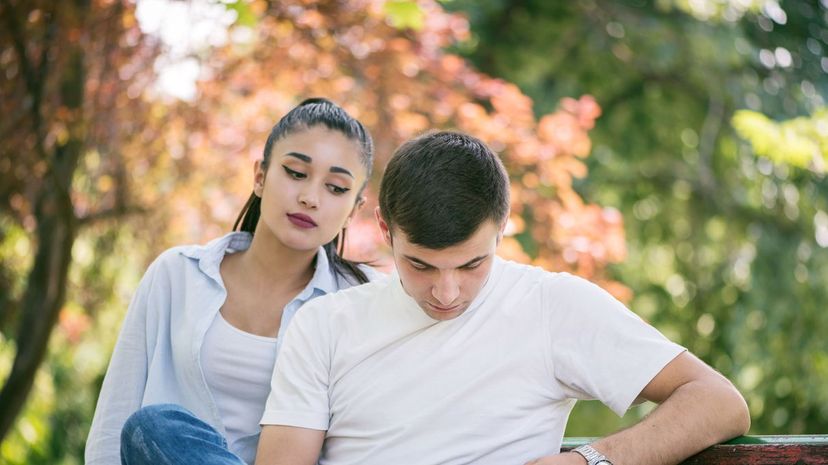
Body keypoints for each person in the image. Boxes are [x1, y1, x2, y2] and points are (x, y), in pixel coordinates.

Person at [252, 131, 750, 465]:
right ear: (385, 228)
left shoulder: (553, 306)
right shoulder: (323, 326)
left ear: (502, 228)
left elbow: (719, 402)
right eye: (420, 265)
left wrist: (588, 461)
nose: (446, 294)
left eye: (471, 265)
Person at [84, 98, 380, 465]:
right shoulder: (177, 275)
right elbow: (113, 421)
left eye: (335, 188)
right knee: (155, 427)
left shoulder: (361, 300)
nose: (309, 197)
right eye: (296, 173)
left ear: (354, 210)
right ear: (260, 176)